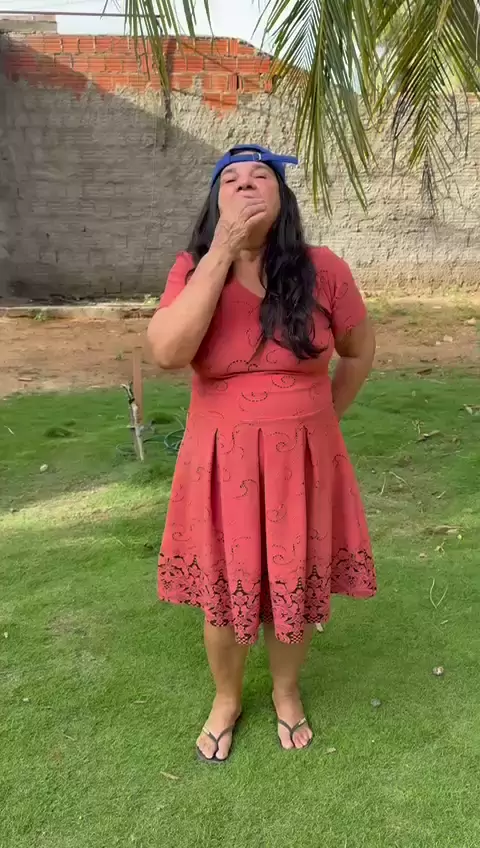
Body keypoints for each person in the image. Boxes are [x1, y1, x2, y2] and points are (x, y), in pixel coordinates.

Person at [147, 144, 377, 763]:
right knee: (226, 587)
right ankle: (226, 699)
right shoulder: (192, 267)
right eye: (231, 179)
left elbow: (358, 351)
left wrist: (320, 421)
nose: (246, 185)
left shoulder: (324, 269)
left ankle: (285, 690)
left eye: (260, 177)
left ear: (283, 198)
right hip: (220, 463)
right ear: (214, 201)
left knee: (290, 581)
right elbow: (166, 352)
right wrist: (221, 252)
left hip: (302, 462)